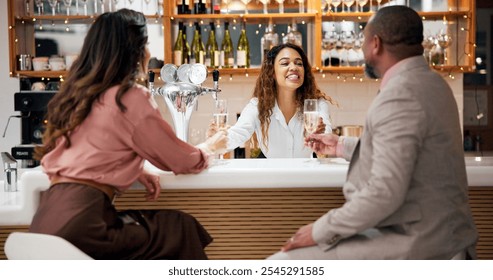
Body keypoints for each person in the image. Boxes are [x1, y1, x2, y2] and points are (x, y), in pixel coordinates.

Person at [268, 6, 477, 259]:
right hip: (442, 236)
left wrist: (319, 230)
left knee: (283, 263)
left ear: (375, 44)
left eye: (363, 41)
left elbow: (384, 193)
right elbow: (407, 154)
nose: (362, 49)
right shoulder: (433, 84)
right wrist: (340, 146)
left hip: (421, 243)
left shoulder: (401, 94)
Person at [29, 9, 227, 260]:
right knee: (178, 227)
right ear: (135, 50)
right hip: (85, 225)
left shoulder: (75, 96)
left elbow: (82, 156)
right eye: (146, 46)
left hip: (45, 222)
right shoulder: (129, 97)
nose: (149, 54)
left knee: (172, 228)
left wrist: (133, 168)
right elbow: (179, 160)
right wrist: (210, 147)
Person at [210, 43, 337, 158]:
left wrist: (320, 136)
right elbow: (236, 135)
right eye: (285, 63)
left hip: (306, 179)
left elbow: (327, 142)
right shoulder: (257, 106)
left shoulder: (317, 105)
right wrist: (215, 139)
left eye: (299, 63)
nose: (294, 67)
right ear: (272, 73)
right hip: (272, 180)